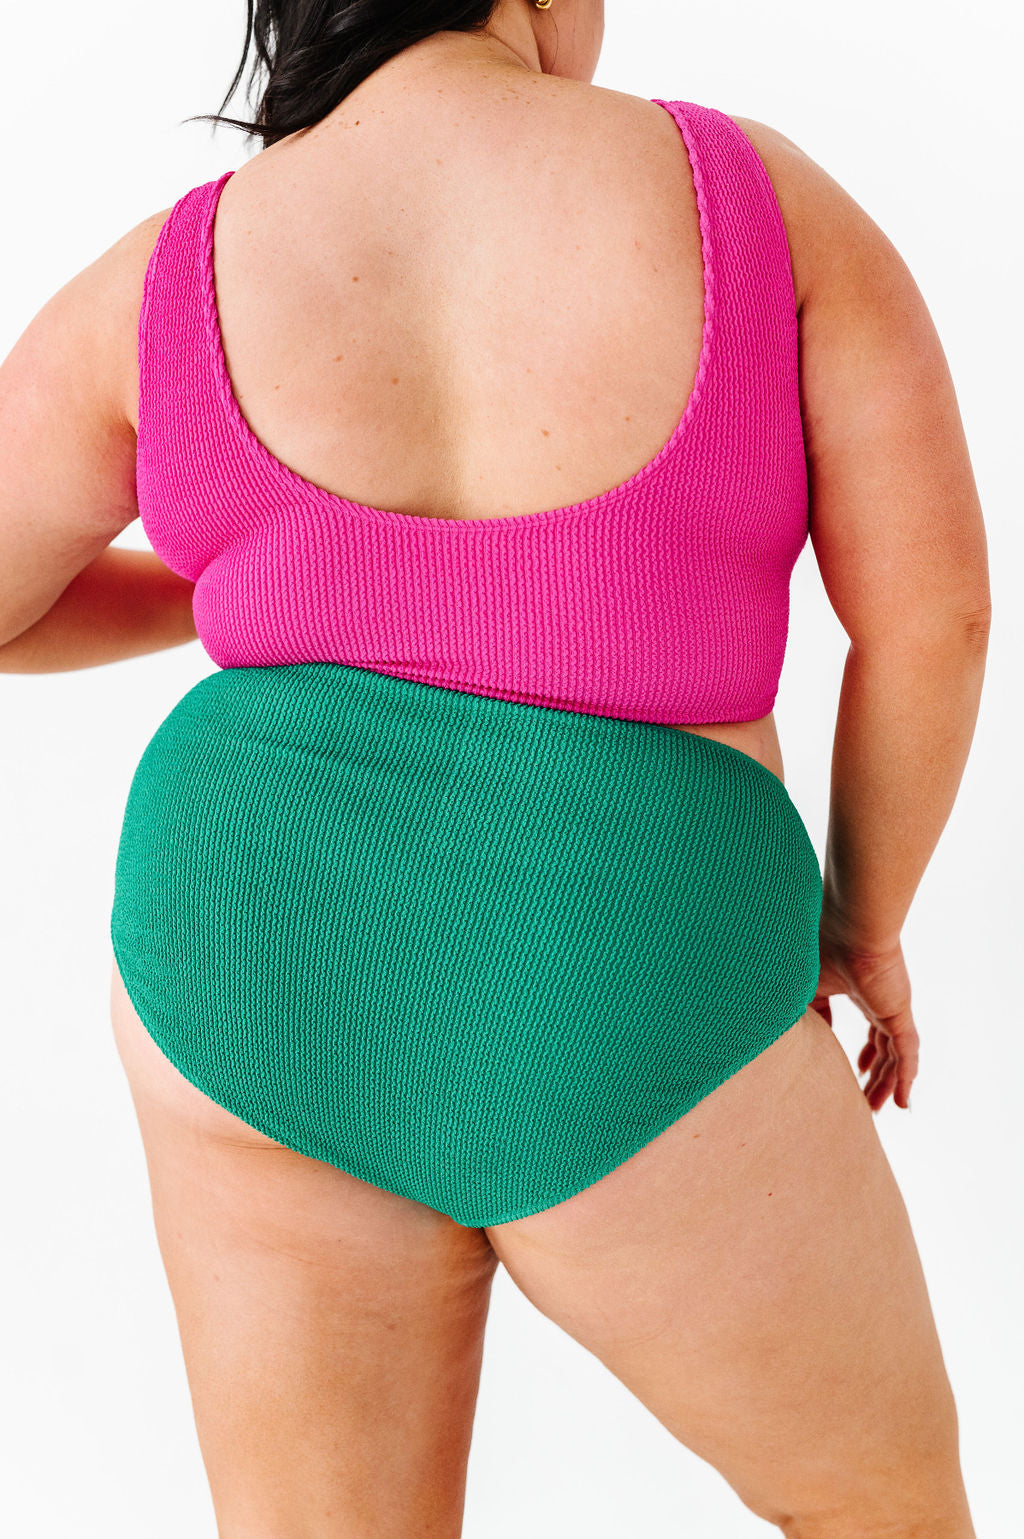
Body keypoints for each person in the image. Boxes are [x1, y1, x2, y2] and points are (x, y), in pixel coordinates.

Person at [0, 3, 991, 1535]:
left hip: (250, 940)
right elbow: (934, 618)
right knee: (886, 1511)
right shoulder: (750, 201)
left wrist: (262, 581)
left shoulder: (173, 266)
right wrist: (859, 926)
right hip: (627, 937)